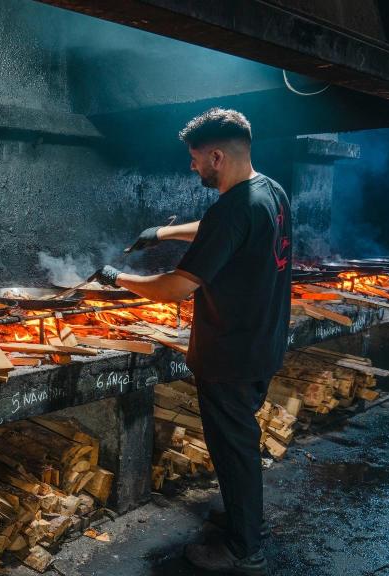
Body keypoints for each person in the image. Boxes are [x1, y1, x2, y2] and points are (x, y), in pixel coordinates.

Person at [94, 108, 292, 575]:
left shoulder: (234, 207)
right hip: (263, 342)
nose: (192, 166)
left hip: (230, 353)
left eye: (195, 158)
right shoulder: (269, 191)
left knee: (234, 448)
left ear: (217, 156)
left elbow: (176, 287)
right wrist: (161, 232)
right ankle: (244, 518)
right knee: (239, 440)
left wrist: (117, 277)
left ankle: (245, 548)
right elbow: (222, 231)